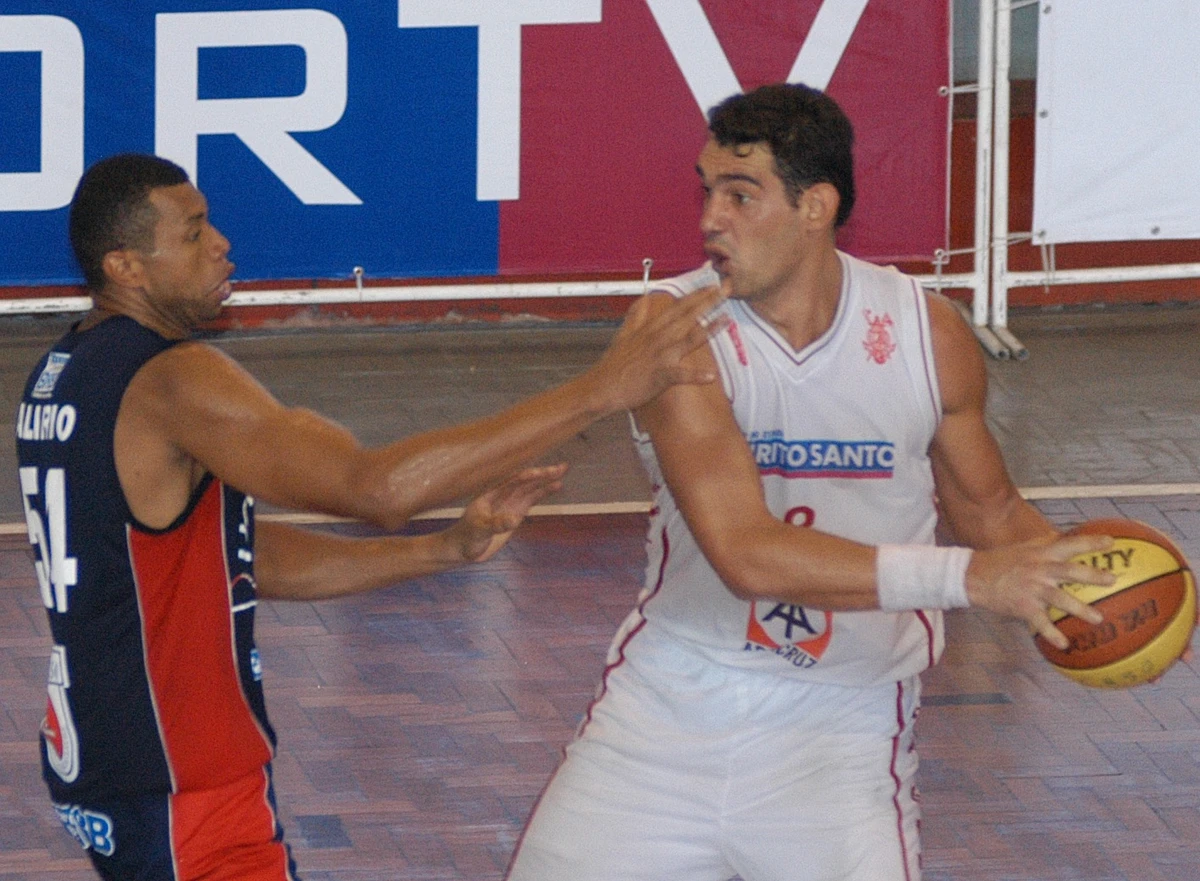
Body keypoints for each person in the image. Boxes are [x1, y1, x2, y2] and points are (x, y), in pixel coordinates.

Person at [14, 152, 725, 881]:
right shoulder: (172, 379)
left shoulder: (62, 372)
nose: (222, 241)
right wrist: (603, 387)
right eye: (194, 233)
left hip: (115, 764)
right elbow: (376, 489)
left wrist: (442, 550)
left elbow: (236, 558)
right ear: (127, 267)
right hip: (183, 789)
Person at [504, 83, 1117, 881]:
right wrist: (973, 579)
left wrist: (1104, 589)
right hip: (670, 710)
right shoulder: (672, 334)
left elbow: (991, 510)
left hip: (845, 726)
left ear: (815, 206)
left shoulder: (924, 332)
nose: (707, 219)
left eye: (740, 194)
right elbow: (745, 553)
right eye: (707, 190)